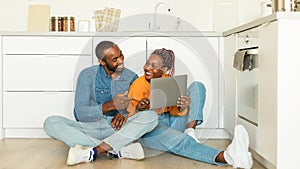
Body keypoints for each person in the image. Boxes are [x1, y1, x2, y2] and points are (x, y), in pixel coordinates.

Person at [127, 48, 253, 168]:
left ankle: (190, 132)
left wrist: (183, 106)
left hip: (171, 121)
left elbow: (174, 111)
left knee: (198, 86)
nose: (147, 68)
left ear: (164, 69)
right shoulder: (138, 85)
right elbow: (130, 120)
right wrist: (139, 109)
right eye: (147, 63)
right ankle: (228, 157)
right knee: (178, 140)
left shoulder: (168, 80)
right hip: (151, 129)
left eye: (153, 66)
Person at [43, 41, 158, 165]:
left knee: (151, 117)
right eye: (115, 59)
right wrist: (111, 105)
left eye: (121, 56)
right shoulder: (87, 75)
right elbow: (80, 113)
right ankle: (115, 149)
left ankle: (93, 151)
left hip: (116, 128)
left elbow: (134, 108)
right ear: (102, 62)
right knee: (51, 122)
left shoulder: (132, 77)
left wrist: (129, 112)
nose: (120, 61)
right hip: (89, 128)